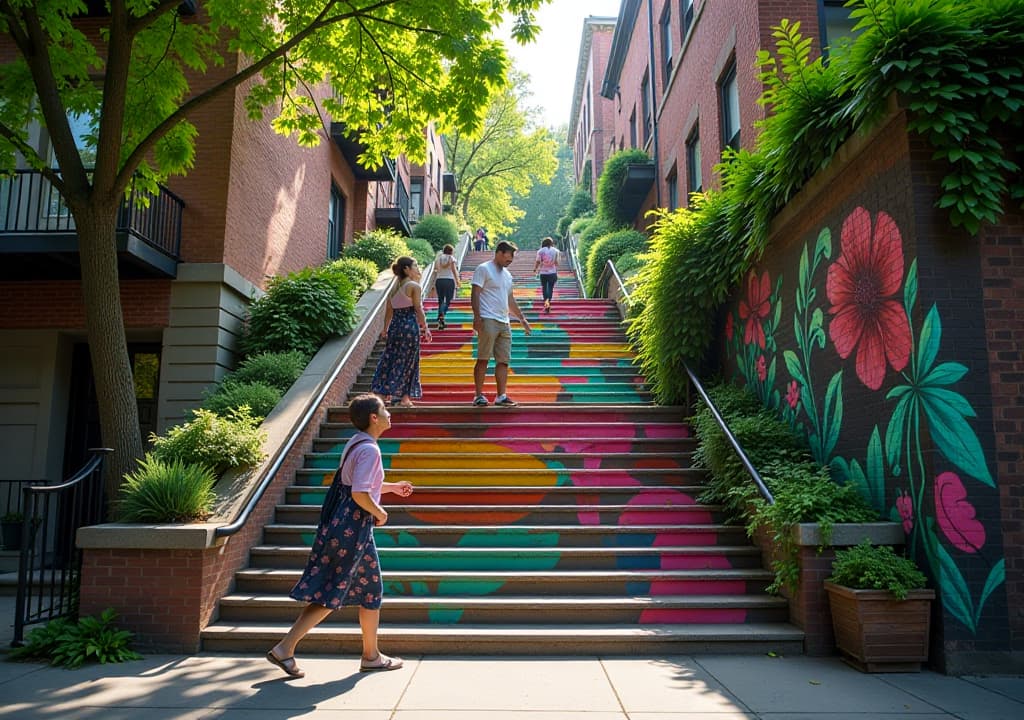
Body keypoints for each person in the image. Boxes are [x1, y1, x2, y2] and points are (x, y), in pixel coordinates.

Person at [266, 393, 414, 678]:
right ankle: (285, 648)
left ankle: (371, 655)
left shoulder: (357, 443)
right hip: (353, 530)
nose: (389, 414)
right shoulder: (371, 450)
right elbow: (359, 493)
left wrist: (391, 487)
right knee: (331, 589)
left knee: (371, 590)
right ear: (374, 417)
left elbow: (356, 485)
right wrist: (381, 513)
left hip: (347, 528)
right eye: (384, 410)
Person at [471, 240, 531, 407]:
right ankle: (478, 395)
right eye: (508, 257)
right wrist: (476, 317)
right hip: (487, 318)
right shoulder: (483, 269)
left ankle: (501, 396)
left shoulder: (507, 275)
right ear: (499, 252)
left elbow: (510, 299)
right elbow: (475, 293)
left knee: (503, 360)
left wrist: (522, 319)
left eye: (512, 258)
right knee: (483, 358)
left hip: (504, 321)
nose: (510, 261)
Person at [371, 256, 432, 407]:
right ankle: (404, 398)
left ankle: (381, 392)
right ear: (406, 269)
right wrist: (425, 327)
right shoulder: (413, 286)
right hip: (409, 327)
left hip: (395, 327)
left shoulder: (394, 287)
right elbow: (418, 308)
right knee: (409, 361)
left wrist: (385, 329)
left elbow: (388, 311)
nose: (418, 269)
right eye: (415, 265)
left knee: (390, 358)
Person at [433, 243, 460, 330]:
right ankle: (442, 314)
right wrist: (458, 280)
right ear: (451, 251)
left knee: (440, 300)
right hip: (449, 280)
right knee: (448, 301)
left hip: (439, 280)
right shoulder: (451, 258)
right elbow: (454, 270)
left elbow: (437, 269)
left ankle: (440, 315)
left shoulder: (438, 258)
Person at [532, 236, 561, 313]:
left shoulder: (540, 251)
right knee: (550, 288)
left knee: (544, 287)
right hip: (552, 272)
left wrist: (535, 269)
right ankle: (548, 302)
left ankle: (546, 301)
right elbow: (557, 263)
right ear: (551, 243)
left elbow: (538, 261)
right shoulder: (556, 251)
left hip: (543, 273)